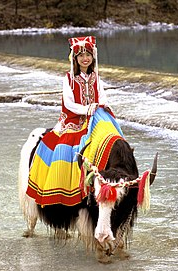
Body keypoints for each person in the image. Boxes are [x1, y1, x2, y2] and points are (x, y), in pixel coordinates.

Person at [26, 36, 123, 207]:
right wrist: (86, 109)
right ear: (75, 59)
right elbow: (69, 103)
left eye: (88, 55)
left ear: (93, 57)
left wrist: (102, 105)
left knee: (113, 136)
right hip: (74, 119)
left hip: (94, 117)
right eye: (81, 55)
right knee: (65, 146)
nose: (85, 58)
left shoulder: (95, 76)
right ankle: (66, 185)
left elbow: (102, 94)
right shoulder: (68, 78)